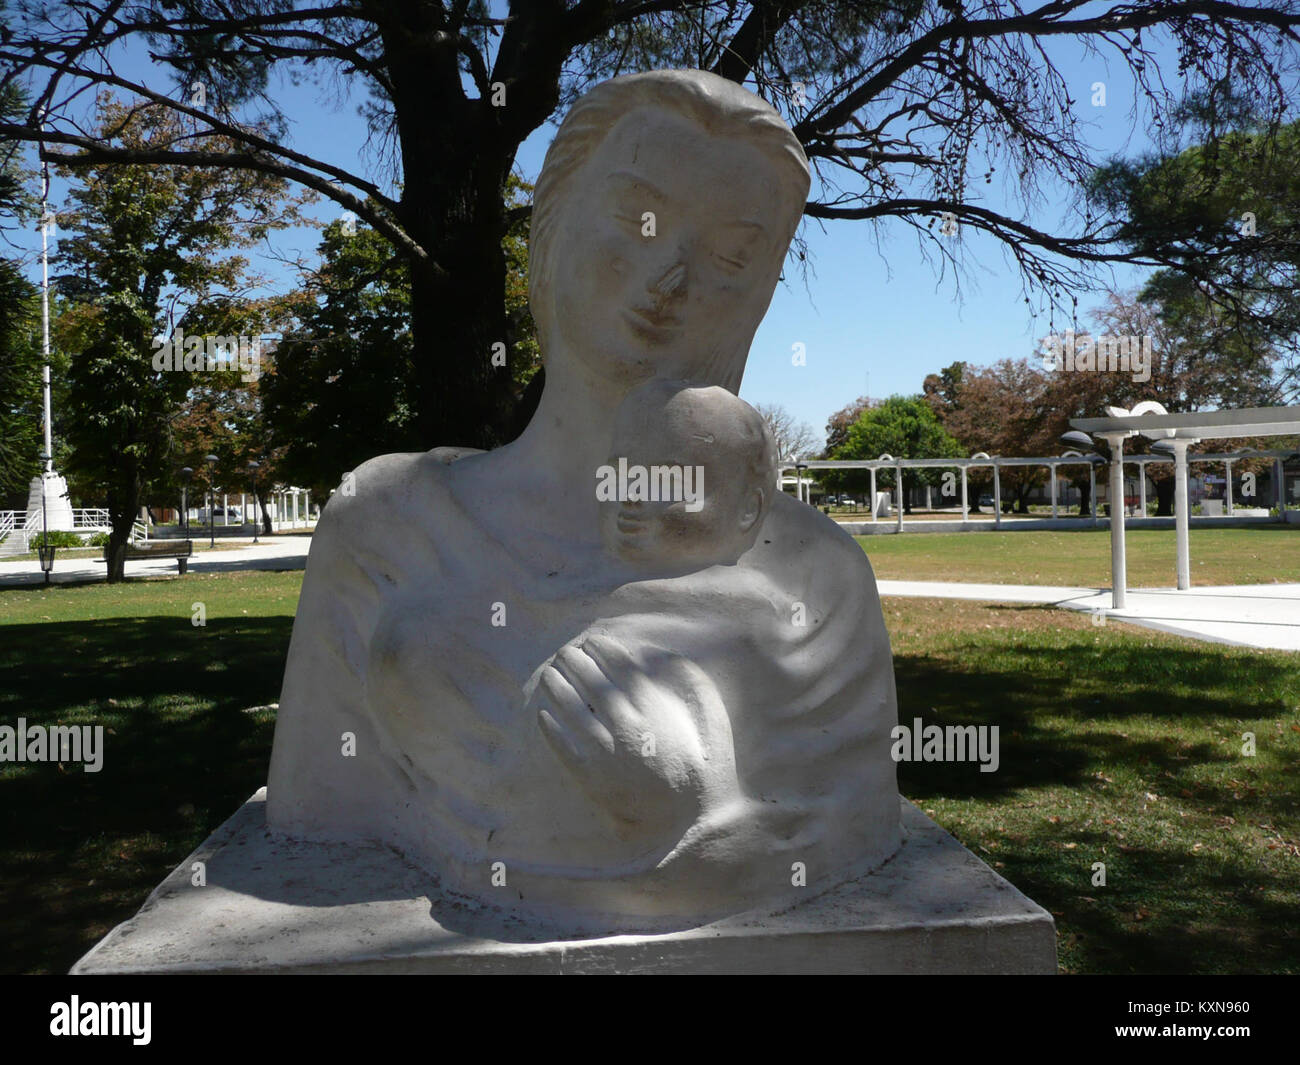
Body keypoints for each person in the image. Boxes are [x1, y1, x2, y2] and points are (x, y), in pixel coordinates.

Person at [267, 69, 901, 932]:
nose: (670, 274)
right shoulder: (385, 524)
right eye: (637, 215)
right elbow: (317, 809)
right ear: (553, 222)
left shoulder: (816, 581)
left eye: (730, 257)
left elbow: (836, 828)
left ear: (759, 296)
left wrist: (691, 811)